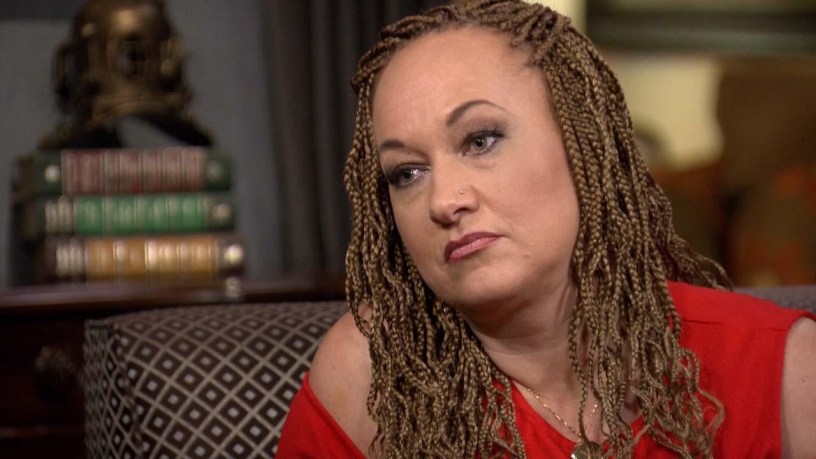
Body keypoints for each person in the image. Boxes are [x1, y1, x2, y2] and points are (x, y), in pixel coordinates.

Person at [277, 1, 816, 457]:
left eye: (480, 140)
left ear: (584, 144)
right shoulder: (372, 374)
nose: (443, 201)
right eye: (407, 173)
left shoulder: (782, 370)